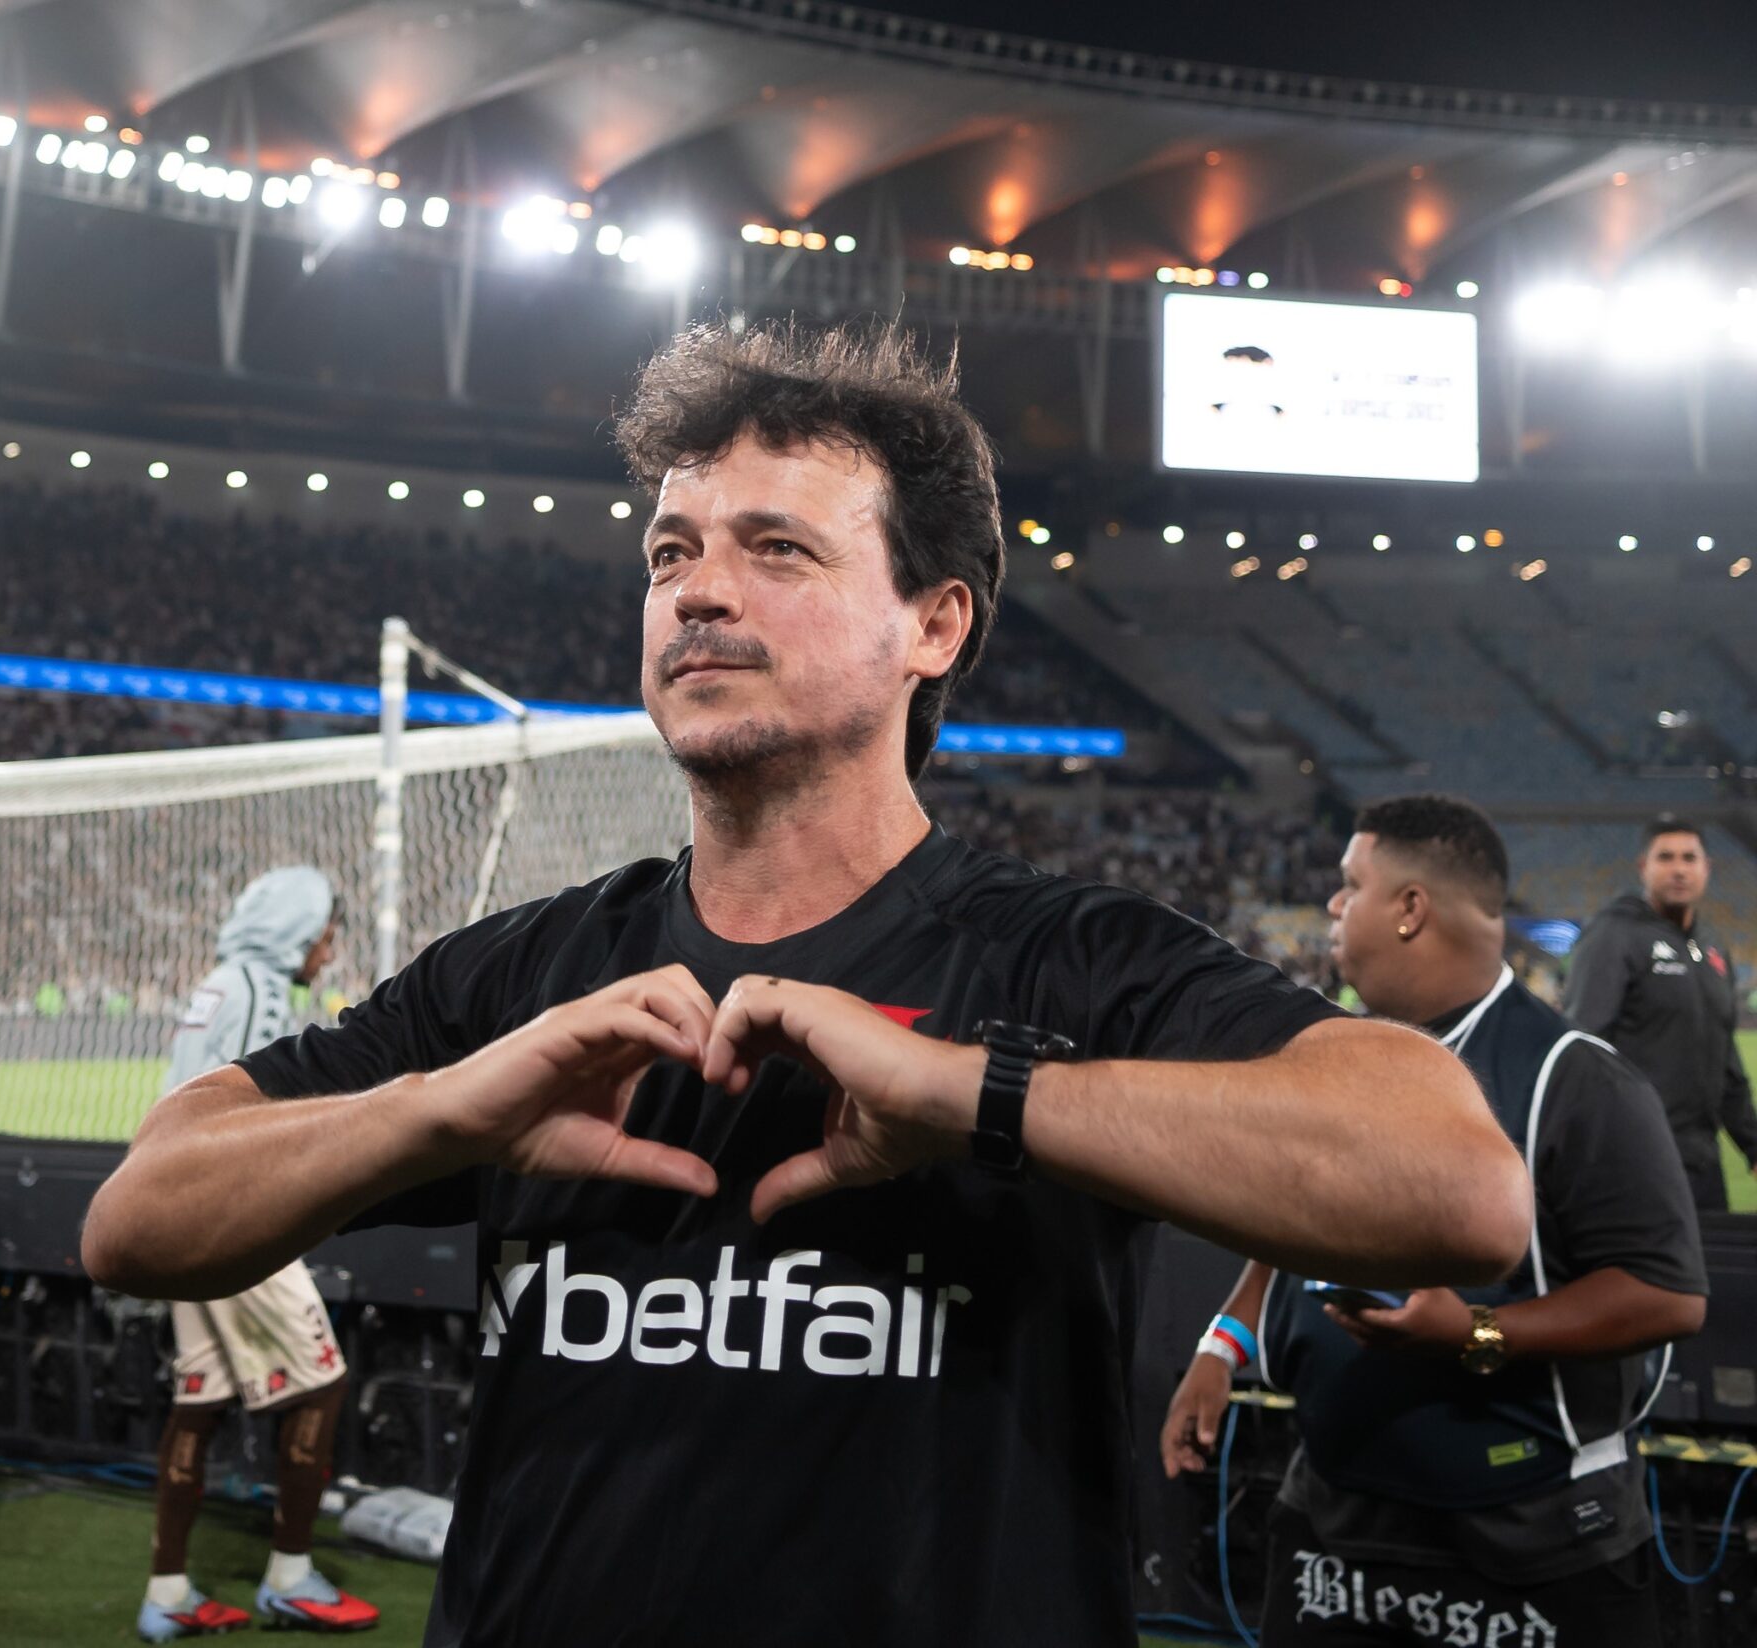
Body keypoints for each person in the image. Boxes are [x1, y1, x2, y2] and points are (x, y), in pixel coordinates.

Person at [81, 321, 1533, 1645]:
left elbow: (1456, 1188)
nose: (698, 589)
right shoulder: (530, 974)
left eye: (776, 548)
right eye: (669, 552)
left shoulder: (1066, 958)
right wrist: (449, 1111)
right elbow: (141, 1221)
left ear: (936, 625)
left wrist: (974, 1094)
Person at [1163, 794, 1705, 1645]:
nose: (1334, 907)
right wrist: (1221, 1343)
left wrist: (1478, 1331)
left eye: (1351, 885)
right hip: (1333, 1517)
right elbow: (1289, 1219)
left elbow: (1667, 1297)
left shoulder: (1577, 1081)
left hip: (1532, 1538)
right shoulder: (1327, 1052)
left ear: (1411, 909)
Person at [136, 867, 375, 1642]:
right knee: (322, 1387)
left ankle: (167, 1592)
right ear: (297, 934)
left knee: (200, 1400)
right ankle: (289, 1576)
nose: (328, 950)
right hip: (228, 1214)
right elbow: (251, 1121)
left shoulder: (220, 981)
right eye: (325, 935)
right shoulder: (257, 993)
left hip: (178, 1207)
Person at [1562, 815, 1757, 1211]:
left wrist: (1752, 1143)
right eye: (1665, 857)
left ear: (1706, 868)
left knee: (1709, 1269)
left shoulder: (1712, 949)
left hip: (1702, 1161)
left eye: (1689, 857)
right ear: (1643, 867)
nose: (1679, 869)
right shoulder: (1613, 935)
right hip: (1634, 1158)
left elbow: (1725, 1060)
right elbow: (1582, 1045)